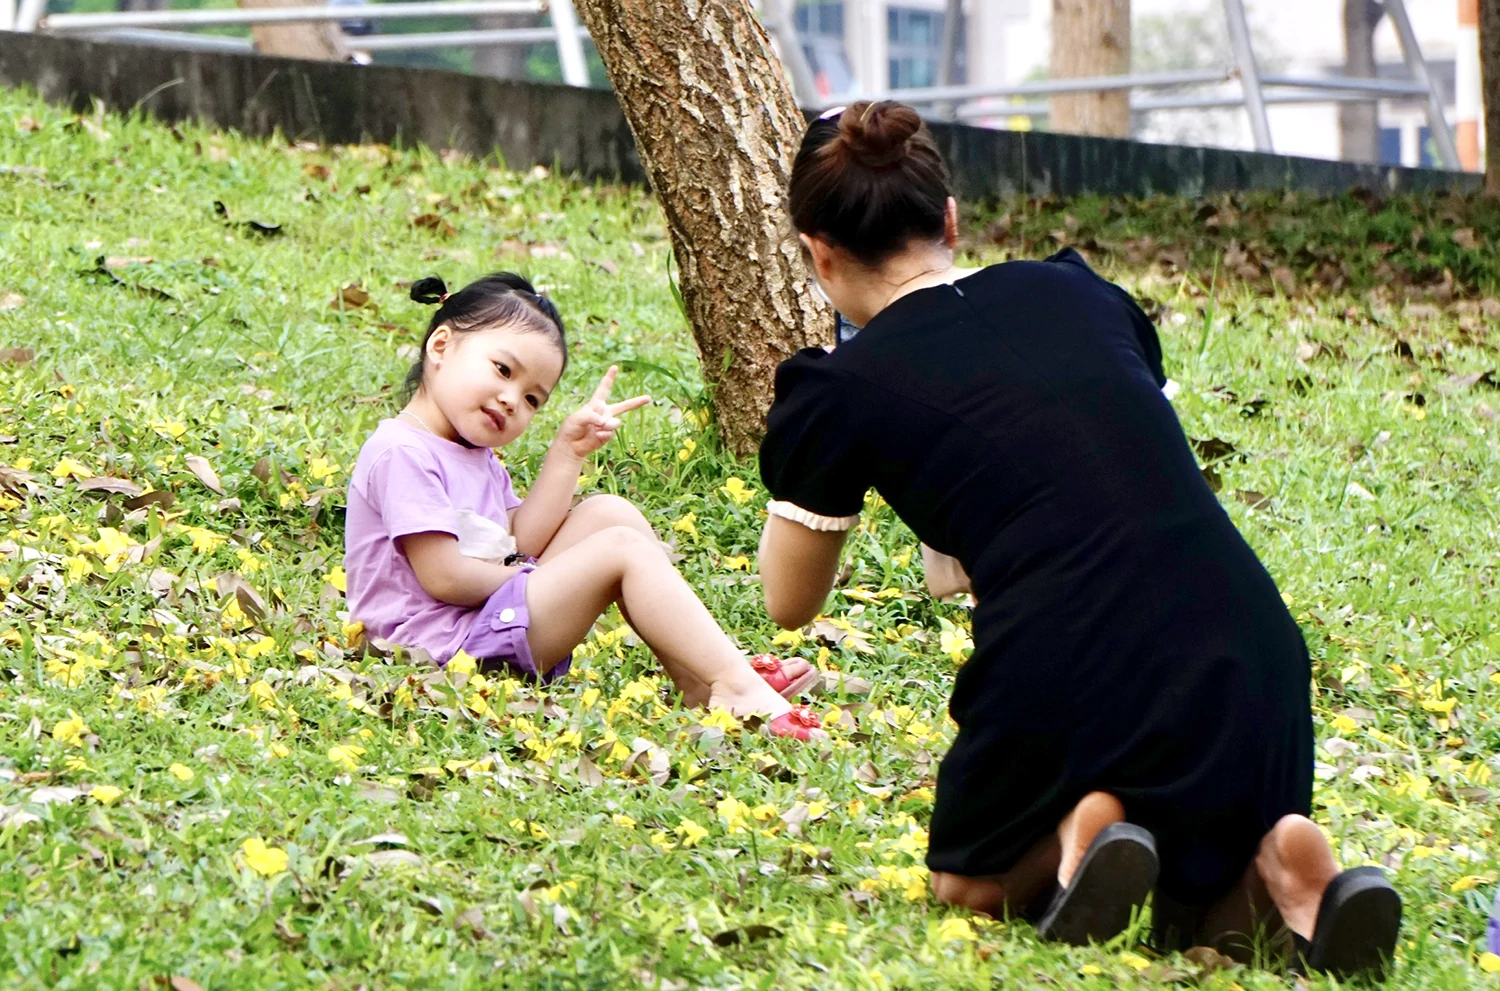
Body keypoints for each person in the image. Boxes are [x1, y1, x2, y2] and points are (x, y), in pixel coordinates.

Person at [755, 102, 1402, 977]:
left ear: (816, 250)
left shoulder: (840, 391)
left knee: (965, 887)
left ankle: (1080, 824)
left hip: (1067, 661)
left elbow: (788, 604)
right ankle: (1282, 860)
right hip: (1251, 653)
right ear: (950, 219)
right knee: (1196, 908)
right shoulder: (1080, 293)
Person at [344, 273, 822, 739]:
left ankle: (702, 680)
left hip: (477, 628)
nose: (512, 400)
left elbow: (518, 539)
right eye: (503, 370)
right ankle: (737, 686)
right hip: (432, 651)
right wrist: (545, 577)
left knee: (611, 515)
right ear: (442, 346)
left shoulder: (474, 455)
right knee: (619, 549)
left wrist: (567, 452)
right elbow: (445, 577)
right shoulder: (402, 452)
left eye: (533, 398)